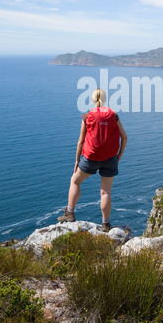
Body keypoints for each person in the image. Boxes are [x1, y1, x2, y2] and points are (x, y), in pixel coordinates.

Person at [58, 88, 127, 232]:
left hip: (90, 157)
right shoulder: (113, 115)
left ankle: (70, 213)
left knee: (75, 181)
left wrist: (77, 160)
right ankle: (106, 224)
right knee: (105, 192)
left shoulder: (87, 116)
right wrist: (119, 155)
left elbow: (81, 141)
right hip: (110, 158)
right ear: (105, 99)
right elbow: (124, 137)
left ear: (93, 100)